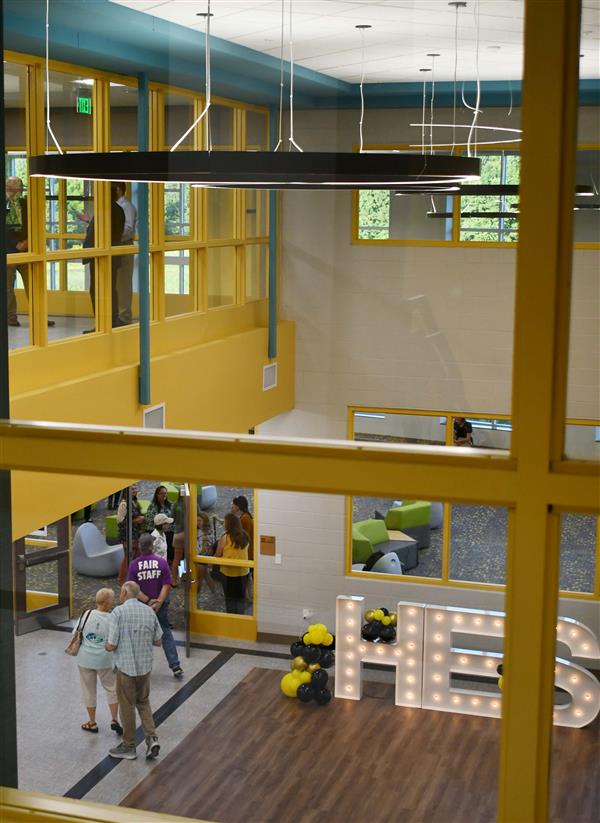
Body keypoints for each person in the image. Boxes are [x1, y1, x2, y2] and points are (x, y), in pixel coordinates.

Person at [105, 581, 162, 761]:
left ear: (124, 593)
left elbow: (112, 644)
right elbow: (158, 641)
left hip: (126, 669)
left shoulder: (118, 613)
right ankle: (151, 739)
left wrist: (105, 646)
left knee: (127, 706)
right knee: (143, 702)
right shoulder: (149, 612)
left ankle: (129, 746)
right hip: (145, 669)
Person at [127, 532, 183, 679]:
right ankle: (175, 665)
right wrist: (158, 601)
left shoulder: (134, 565)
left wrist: (147, 601)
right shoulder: (162, 563)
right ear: (152, 546)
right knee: (165, 632)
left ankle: (138, 666)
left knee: (138, 634)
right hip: (161, 605)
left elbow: (132, 587)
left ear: (140, 547)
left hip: (142, 606)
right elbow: (167, 585)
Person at [5, 176, 55, 328]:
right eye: (8, 186)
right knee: (7, 287)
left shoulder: (26, 203)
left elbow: (36, 224)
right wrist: (15, 244)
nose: (10, 190)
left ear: (20, 189)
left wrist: (27, 241)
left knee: (35, 285)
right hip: (8, 251)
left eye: (14, 187)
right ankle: (10, 318)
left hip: (28, 250)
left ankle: (40, 317)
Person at [73, 587, 122, 735]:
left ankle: (92, 722)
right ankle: (114, 719)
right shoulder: (113, 619)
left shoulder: (86, 614)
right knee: (112, 689)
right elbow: (115, 640)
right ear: (108, 603)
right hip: (105, 660)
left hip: (85, 658)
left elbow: (75, 632)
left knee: (88, 690)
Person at [80, 183, 125, 332]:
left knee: (98, 290)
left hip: (101, 257)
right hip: (109, 256)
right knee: (109, 289)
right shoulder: (117, 209)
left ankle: (103, 324)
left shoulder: (106, 210)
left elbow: (99, 234)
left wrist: (89, 252)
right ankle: (110, 321)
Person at [215, 513, 250, 615]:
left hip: (228, 573)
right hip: (243, 573)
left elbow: (218, 554)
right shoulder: (245, 536)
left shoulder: (225, 538)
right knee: (240, 599)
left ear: (228, 524)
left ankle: (231, 620)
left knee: (230, 600)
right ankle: (240, 619)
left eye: (225, 522)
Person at [114, 182, 137, 325]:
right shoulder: (115, 206)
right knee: (116, 283)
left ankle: (124, 317)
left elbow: (128, 230)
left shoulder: (126, 207)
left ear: (118, 190)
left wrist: (112, 235)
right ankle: (117, 316)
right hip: (115, 246)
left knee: (123, 284)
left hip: (123, 247)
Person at [117, 485, 145, 585]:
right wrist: (135, 520)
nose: (135, 491)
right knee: (128, 556)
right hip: (127, 535)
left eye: (135, 489)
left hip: (136, 534)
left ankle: (134, 577)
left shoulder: (134, 502)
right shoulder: (124, 504)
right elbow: (120, 521)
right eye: (132, 489)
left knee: (137, 556)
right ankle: (121, 579)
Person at [145, 485, 174, 561]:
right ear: (157, 494)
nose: (164, 495)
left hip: (168, 531)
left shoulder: (169, 505)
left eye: (165, 493)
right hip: (157, 530)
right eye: (162, 493)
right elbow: (149, 520)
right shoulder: (153, 506)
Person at [196, 511, 216, 596]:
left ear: (205, 521)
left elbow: (208, 548)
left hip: (201, 557)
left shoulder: (206, 534)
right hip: (201, 556)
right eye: (197, 520)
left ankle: (195, 596)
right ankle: (214, 592)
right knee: (206, 575)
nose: (197, 522)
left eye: (200, 520)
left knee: (199, 578)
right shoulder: (200, 530)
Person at [170, 486, 186, 586]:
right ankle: (183, 576)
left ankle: (174, 580)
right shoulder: (193, 504)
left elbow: (172, 519)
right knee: (186, 557)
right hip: (189, 533)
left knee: (176, 557)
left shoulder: (175, 504)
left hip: (178, 533)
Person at [231, 495, 254, 560]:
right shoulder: (245, 516)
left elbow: (244, 538)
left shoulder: (244, 518)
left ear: (237, 507)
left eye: (233, 504)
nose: (232, 506)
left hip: (248, 553)